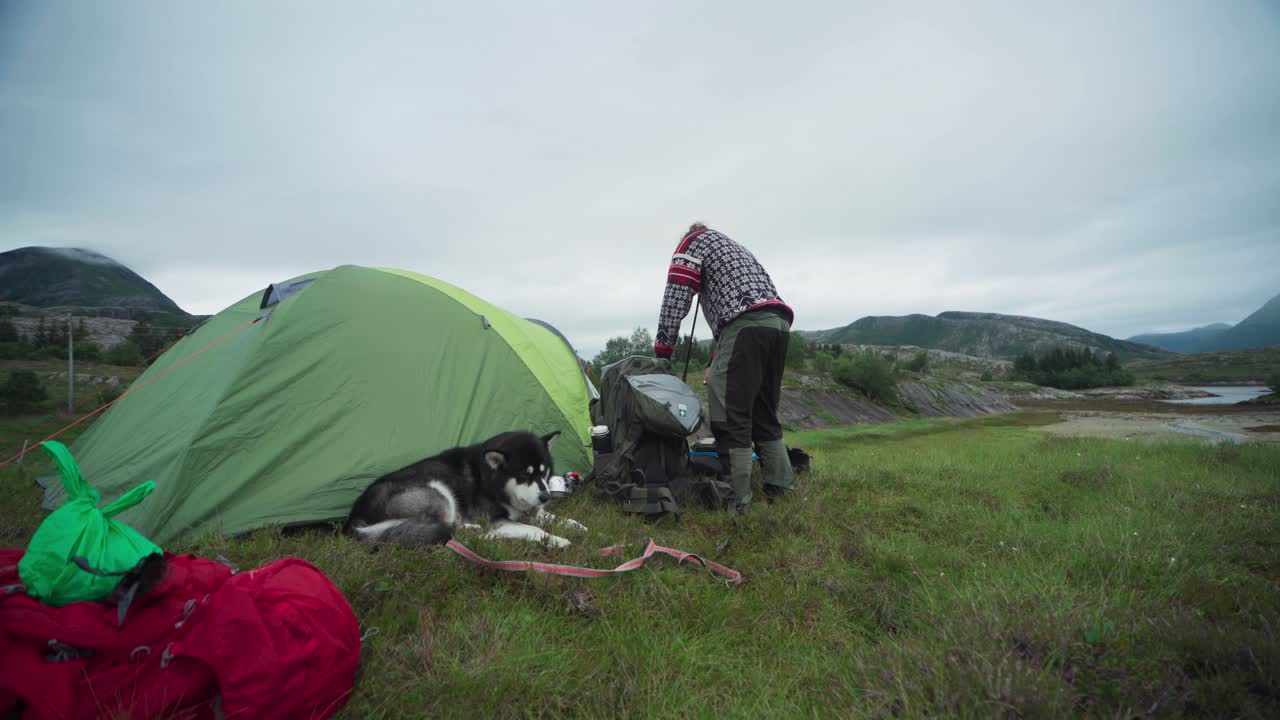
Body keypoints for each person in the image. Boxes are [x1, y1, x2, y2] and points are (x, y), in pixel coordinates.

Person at [653, 222, 795, 514]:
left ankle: (736, 499)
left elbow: (675, 299)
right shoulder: (734, 248)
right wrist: (713, 360)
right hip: (778, 324)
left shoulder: (692, 243)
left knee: (731, 414)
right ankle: (781, 488)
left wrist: (662, 352)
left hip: (745, 324)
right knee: (764, 411)